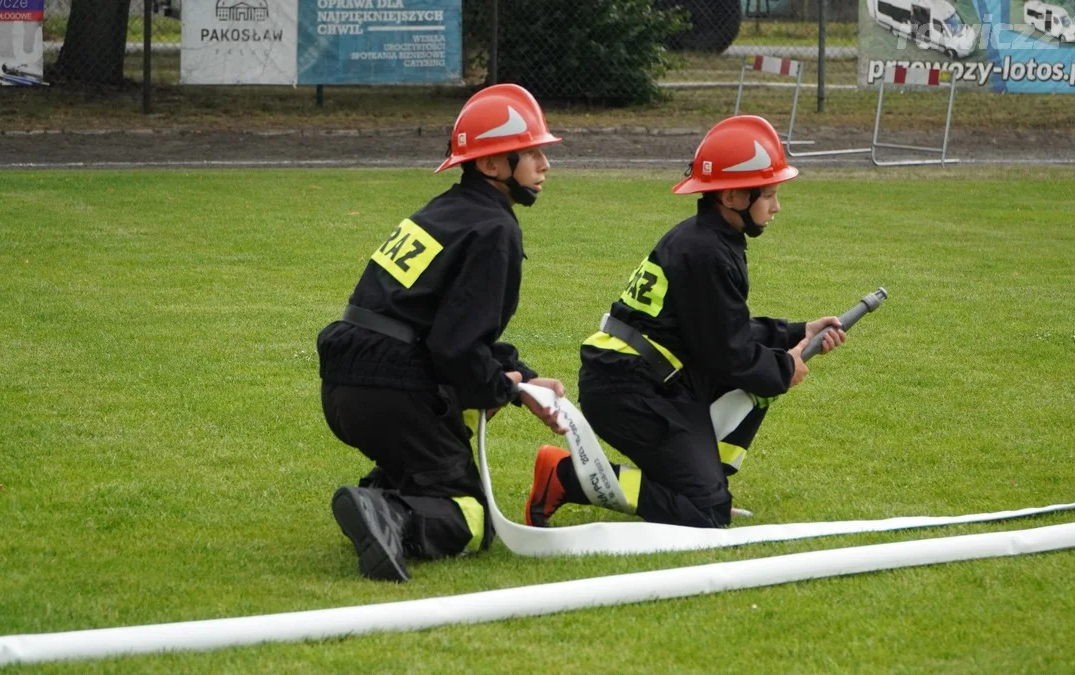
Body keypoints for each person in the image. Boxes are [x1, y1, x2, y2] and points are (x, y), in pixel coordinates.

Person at [525, 115, 846, 530]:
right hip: (632, 390)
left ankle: (700, 479)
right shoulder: (706, 251)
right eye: (768, 194)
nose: (777, 206)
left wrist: (794, 333)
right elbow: (726, 354)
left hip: (643, 379)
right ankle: (566, 477)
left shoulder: (708, 239)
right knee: (705, 514)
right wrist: (785, 366)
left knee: (763, 378)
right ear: (732, 196)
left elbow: (719, 328)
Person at [318, 83, 567, 582]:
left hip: (348, 384)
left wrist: (520, 378)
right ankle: (389, 514)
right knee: (471, 517)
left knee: (429, 463)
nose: (544, 164)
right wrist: (509, 389)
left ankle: (381, 496)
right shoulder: (496, 229)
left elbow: (443, 327)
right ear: (492, 165)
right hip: (393, 390)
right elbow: (454, 347)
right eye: (532, 152)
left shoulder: (444, 211)